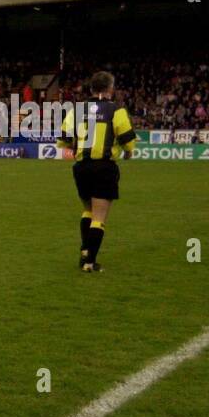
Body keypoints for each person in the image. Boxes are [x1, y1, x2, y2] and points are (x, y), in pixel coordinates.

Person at [58, 71, 138, 273]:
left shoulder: (76, 111)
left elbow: (63, 140)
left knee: (88, 210)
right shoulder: (116, 111)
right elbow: (128, 141)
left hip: (82, 168)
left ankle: (85, 251)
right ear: (111, 89)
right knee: (99, 217)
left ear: (92, 89)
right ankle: (89, 263)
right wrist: (128, 152)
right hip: (104, 167)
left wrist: (77, 144)